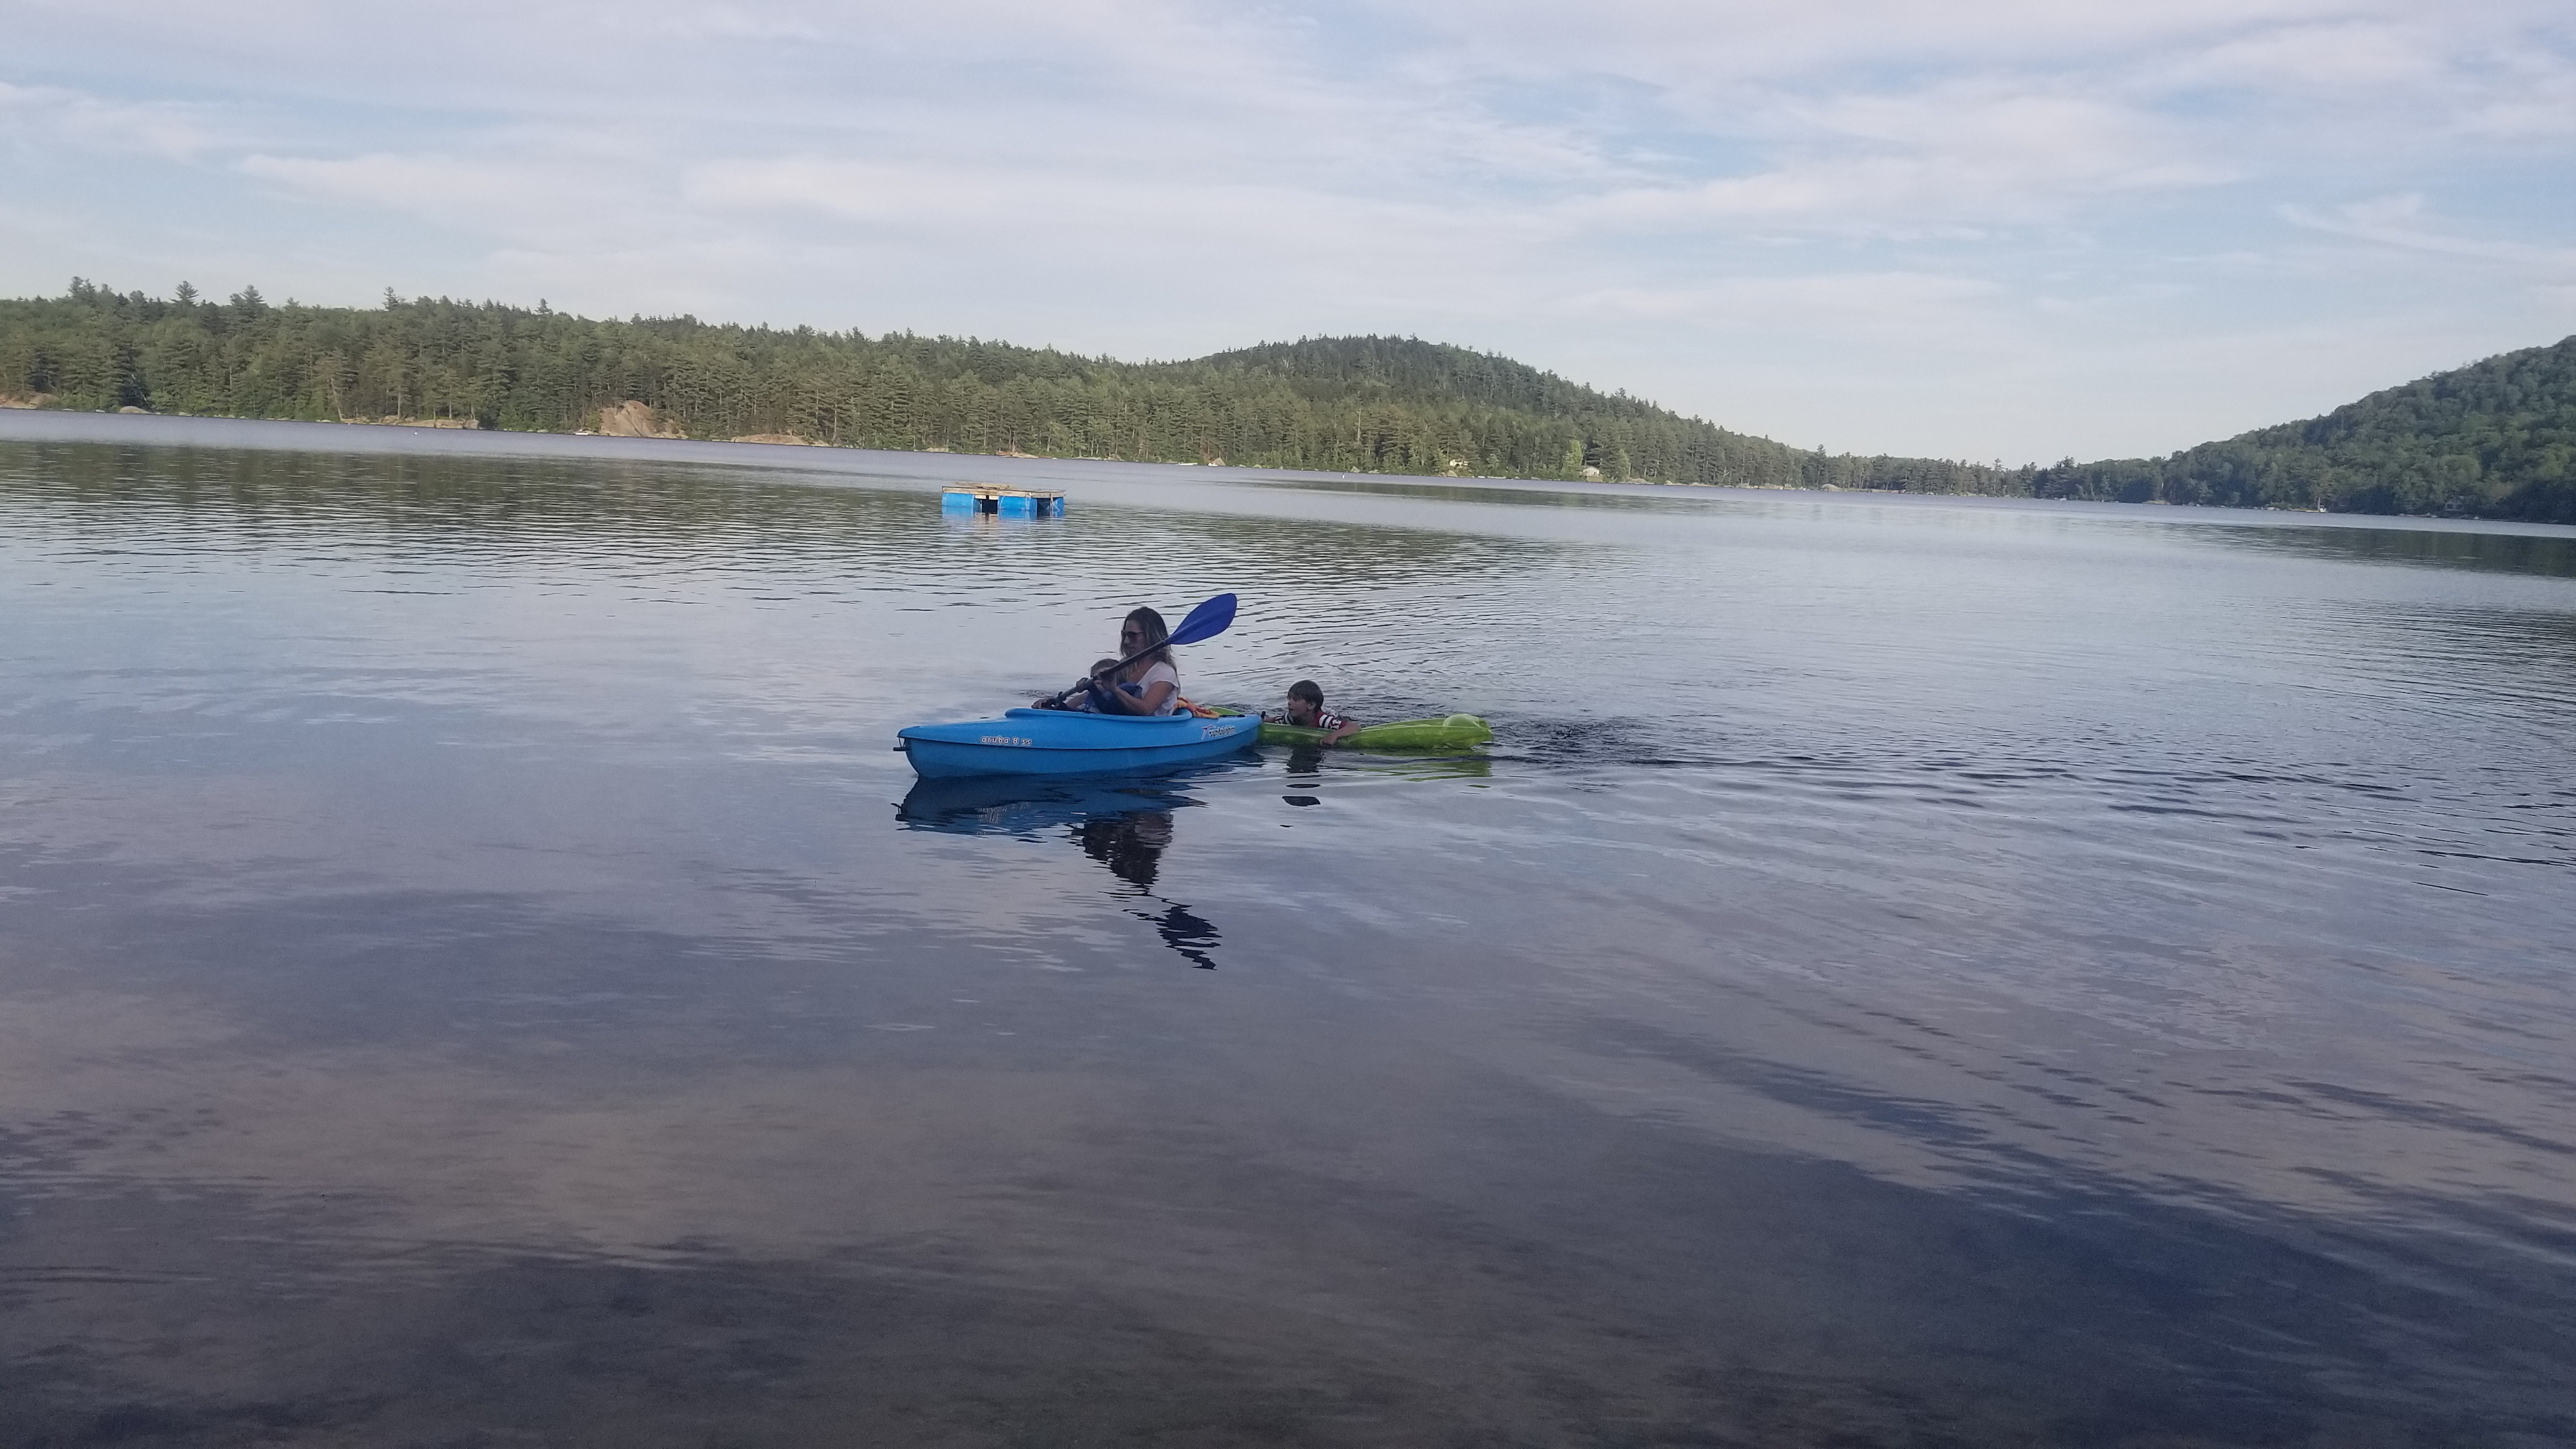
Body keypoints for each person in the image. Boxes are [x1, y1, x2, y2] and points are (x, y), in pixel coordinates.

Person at [1044, 607, 1185, 715]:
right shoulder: (1126, 666)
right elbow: (1093, 696)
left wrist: (1115, 689)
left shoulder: (1165, 673)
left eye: (1133, 635)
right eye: (1124, 635)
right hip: (1121, 723)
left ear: (1151, 637)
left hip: (1150, 729)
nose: (1126, 641)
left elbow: (1146, 709)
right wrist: (1059, 710)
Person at [1263, 680, 1360, 743]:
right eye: (1289, 698)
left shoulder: (1323, 720)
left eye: (1295, 700)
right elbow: (1270, 720)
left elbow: (1354, 726)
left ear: (1311, 705)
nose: (1289, 703)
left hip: (1331, 717)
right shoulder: (1290, 718)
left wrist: (1333, 736)